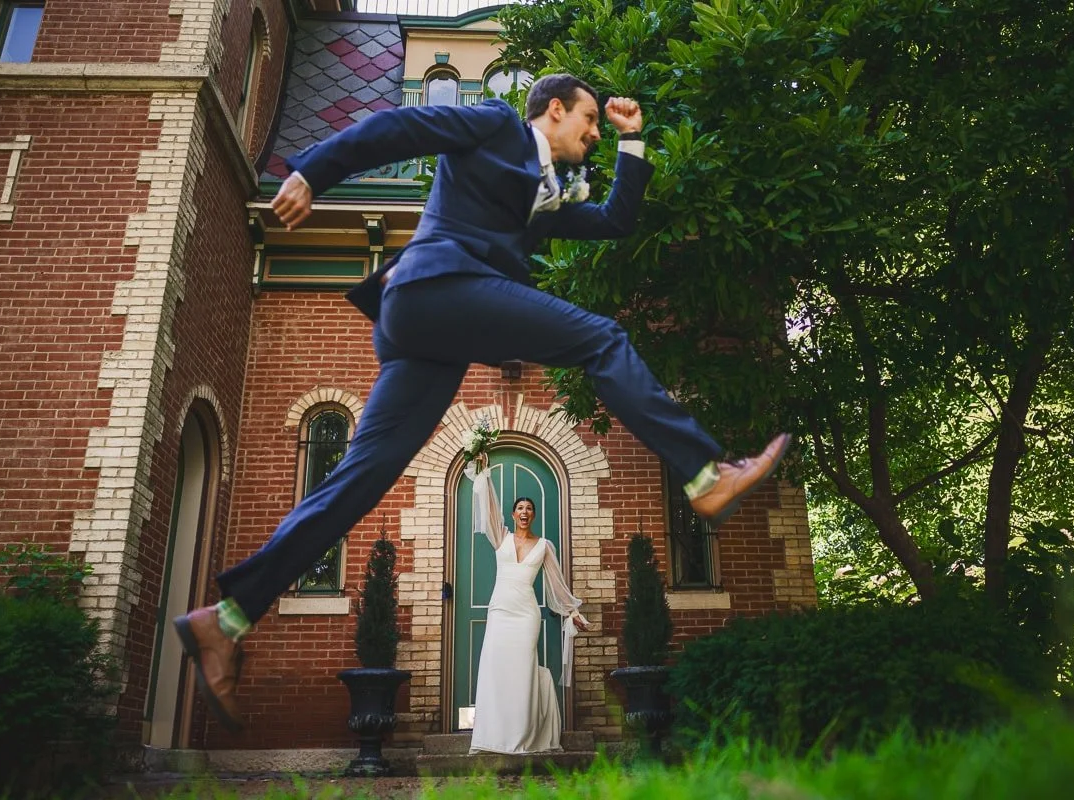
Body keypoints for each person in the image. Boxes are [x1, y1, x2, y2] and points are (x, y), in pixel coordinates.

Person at [174, 73, 791, 731]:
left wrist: (633, 142)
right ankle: (702, 473)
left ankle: (228, 617)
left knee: (359, 481)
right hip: (435, 285)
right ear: (554, 110)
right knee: (603, 339)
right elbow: (399, 129)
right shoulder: (495, 125)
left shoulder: (547, 196)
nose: (592, 134)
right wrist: (312, 173)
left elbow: (615, 221)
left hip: (428, 330)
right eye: (588, 121)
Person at [463, 462, 589, 754]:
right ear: (513, 514)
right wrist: (483, 471)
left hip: (526, 615)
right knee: (495, 670)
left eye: (529, 508)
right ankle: (492, 737)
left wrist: (573, 612)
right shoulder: (501, 537)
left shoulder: (544, 545)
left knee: (522, 673)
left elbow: (557, 584)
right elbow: (489, 504)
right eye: (519, 507)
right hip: (500, 611)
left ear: (533, 515)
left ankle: (521, 735)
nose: (524, 512)